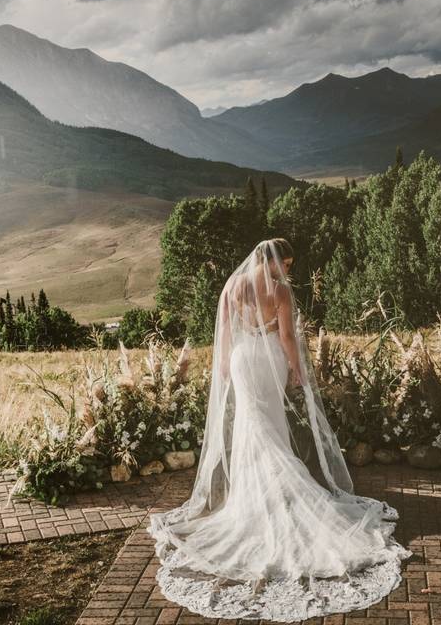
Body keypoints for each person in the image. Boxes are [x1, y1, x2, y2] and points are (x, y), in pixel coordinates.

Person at [147, 238, 411, 621]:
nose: (287, 270)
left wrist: (223, 368)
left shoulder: (234, 286)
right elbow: (287, 337)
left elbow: (223, 333)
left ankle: (252, 498)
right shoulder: (281, 291)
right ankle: (283, 494)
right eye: (286, 263)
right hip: (268, 357)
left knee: (251, 428)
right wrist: (298, 371)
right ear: (274, 261)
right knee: (269, 425)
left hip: (241, 359)